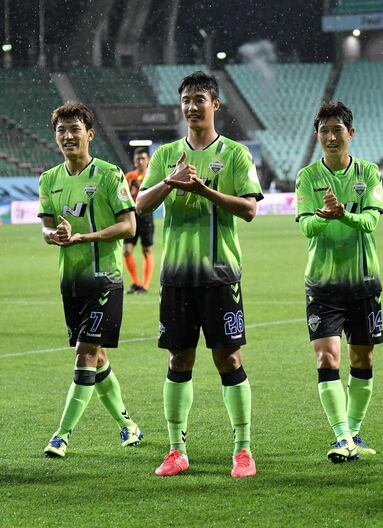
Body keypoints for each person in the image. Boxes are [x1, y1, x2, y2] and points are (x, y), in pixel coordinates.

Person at [136, 71, 263, 478]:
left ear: (215, 105)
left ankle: (242, 451)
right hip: (177, 277)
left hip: (221, 275)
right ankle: (176, 450)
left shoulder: (236, 154)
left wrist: (205, 190)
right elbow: (140, 205)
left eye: (199, 99)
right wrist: (171, 183)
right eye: (186, 99)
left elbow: (249, 209)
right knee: (178, 358)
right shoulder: (165, 155)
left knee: (229, 357)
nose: (192, 107)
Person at [38, 102, 143, 458]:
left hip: (105, 280)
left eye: (74, 130)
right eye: (61, 131)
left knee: (85, 354)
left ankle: (61, 435)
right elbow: (47, 226)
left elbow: (130, 226)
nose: (67, 136)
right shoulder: (49, 179)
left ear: (90, 135)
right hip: (71, 283)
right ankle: (128, 425)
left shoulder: (109, 175)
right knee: (96, 358)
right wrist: (52, 235)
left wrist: (85, 237)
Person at [295, 101, 383, 463]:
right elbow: (305, 226)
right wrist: (322, 216)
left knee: (362, 358)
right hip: (323, 284)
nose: (331, 137)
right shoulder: (307, 178)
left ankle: (354, 431)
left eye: (337, 130)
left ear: (351, 133)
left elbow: (371, 223)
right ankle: (341, 437)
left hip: (364, 282)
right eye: (324, 131)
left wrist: (342, 213)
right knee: (326, 357)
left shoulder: (369, 173)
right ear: (317, 136)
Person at [123, 147, 155, 294]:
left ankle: (145, 286)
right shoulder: (129, 176)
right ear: (134, 161)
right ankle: (136, 282)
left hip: (146, 215)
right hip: (131, 215)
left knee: (147, 250)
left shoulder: (152, 175)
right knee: (127, 251)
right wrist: (131, 189)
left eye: (143, 158)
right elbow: (123, 197)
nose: (141, 161)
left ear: (147, 160)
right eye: (138, 159)